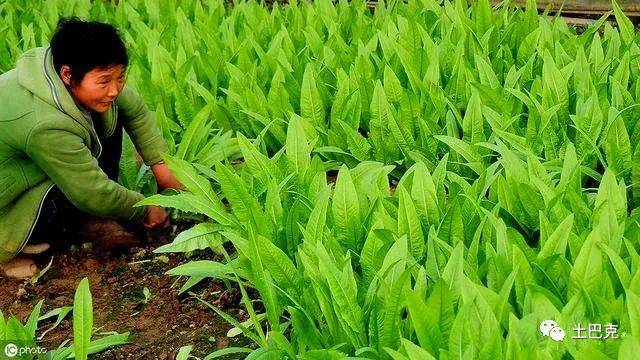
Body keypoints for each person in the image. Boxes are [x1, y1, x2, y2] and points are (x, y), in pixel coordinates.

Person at [0, 18, 183, 279]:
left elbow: (135, 109)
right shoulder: (45, 123)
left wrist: (161, 166)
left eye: (120, 78)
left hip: (28, 163)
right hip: (5, 196)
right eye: (104, 81)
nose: (114, 89)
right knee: (71, 194)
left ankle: (83, 220)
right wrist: (145, 208)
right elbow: (92, 192)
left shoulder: (67, 70)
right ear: (67, 74)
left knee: (110, 114)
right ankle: (8, 249)